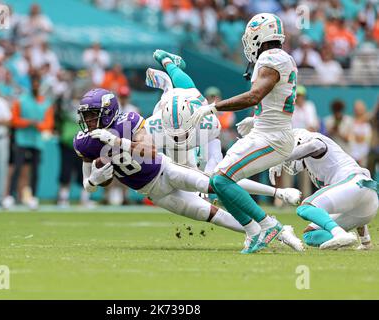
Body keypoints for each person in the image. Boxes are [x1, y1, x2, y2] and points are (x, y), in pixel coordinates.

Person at [74, 88, 301, 250]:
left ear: (107, 112)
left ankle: (276, 201)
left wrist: (116, 142)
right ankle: (276, 232)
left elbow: (150, 151)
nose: (88, 120)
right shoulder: (84, 142)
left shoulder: (129, 121)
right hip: (154, 193)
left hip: (166, 170)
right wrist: (95, 181)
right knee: (214, 216)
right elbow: (89, 186)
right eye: (86, 116)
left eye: (92, 115)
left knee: (216, 184)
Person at [144, 54, 303, 251]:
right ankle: (168, 65)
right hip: (169, 145)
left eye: (184, 130)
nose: (179, 135)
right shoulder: (152, 126)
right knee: (204, 195)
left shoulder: (208, 123)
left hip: (192, 116)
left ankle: (269, 226)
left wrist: (204, 182)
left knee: (217, 181)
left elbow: (215, 164)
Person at [185, 13, 298, 253]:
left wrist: (214, 106)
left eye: (251, 37)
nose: (248, 43)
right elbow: (270, 100)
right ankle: (253, 230)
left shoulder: (271, 58)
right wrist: (255, 118)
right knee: (218, 181)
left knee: (222, 180)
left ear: (260, 35)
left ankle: (268, 225)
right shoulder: (278, 57)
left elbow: (254, 96)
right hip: (266, 131)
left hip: (273, 137)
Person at [269, 129, 378, 250]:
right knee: (310, 235)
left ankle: (339, 233)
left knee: (305, 207)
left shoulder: (316, 141)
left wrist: (282, 157)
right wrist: (365, 241)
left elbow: (316, 145)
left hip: (356, 184)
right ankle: (359, 241)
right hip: (366, 204)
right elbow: (354, 198)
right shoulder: (312, 164)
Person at [3, 73, 54, 210]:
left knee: (35, 170)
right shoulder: (21, 100)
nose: (36, 86)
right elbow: (13, 120)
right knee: (17, 167)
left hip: (37, 141)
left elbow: (49, 124)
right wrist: (27, 122)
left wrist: (38, 125)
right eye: (34, 83)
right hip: (22, 139)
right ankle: (10, 196)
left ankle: (33, 197)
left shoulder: (46, 103)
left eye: (38, 83)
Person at [350, 100, 372, 167]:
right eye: (357, 108)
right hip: (352, 156)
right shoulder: (350, 122)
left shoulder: (370, 123)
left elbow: (369, 139)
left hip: (366, 156)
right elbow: (350, 138)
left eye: (361, 108)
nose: (359, 110)